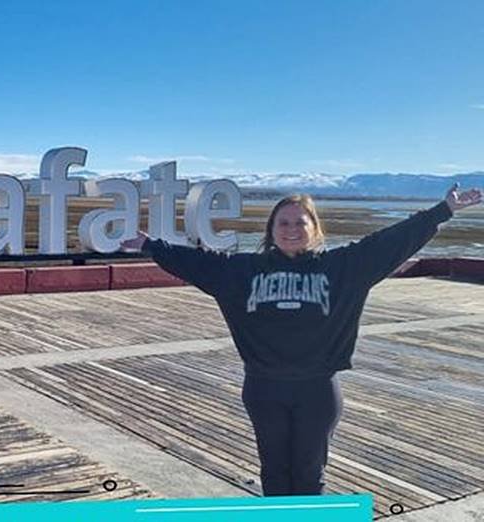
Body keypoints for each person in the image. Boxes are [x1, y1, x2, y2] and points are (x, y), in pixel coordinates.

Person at [119, 183, 482, 496]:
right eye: (283, 222)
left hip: (317, 390)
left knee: (310, 476)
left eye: (299, 222)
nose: (291, 229)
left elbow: (390, 242)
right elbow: (198, 262)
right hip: (264, 388)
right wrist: (151, 246)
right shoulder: (243, 271)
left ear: (314, 227)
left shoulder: (343, 268)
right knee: (274, 475)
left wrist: (444, 210)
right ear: (271, 229)